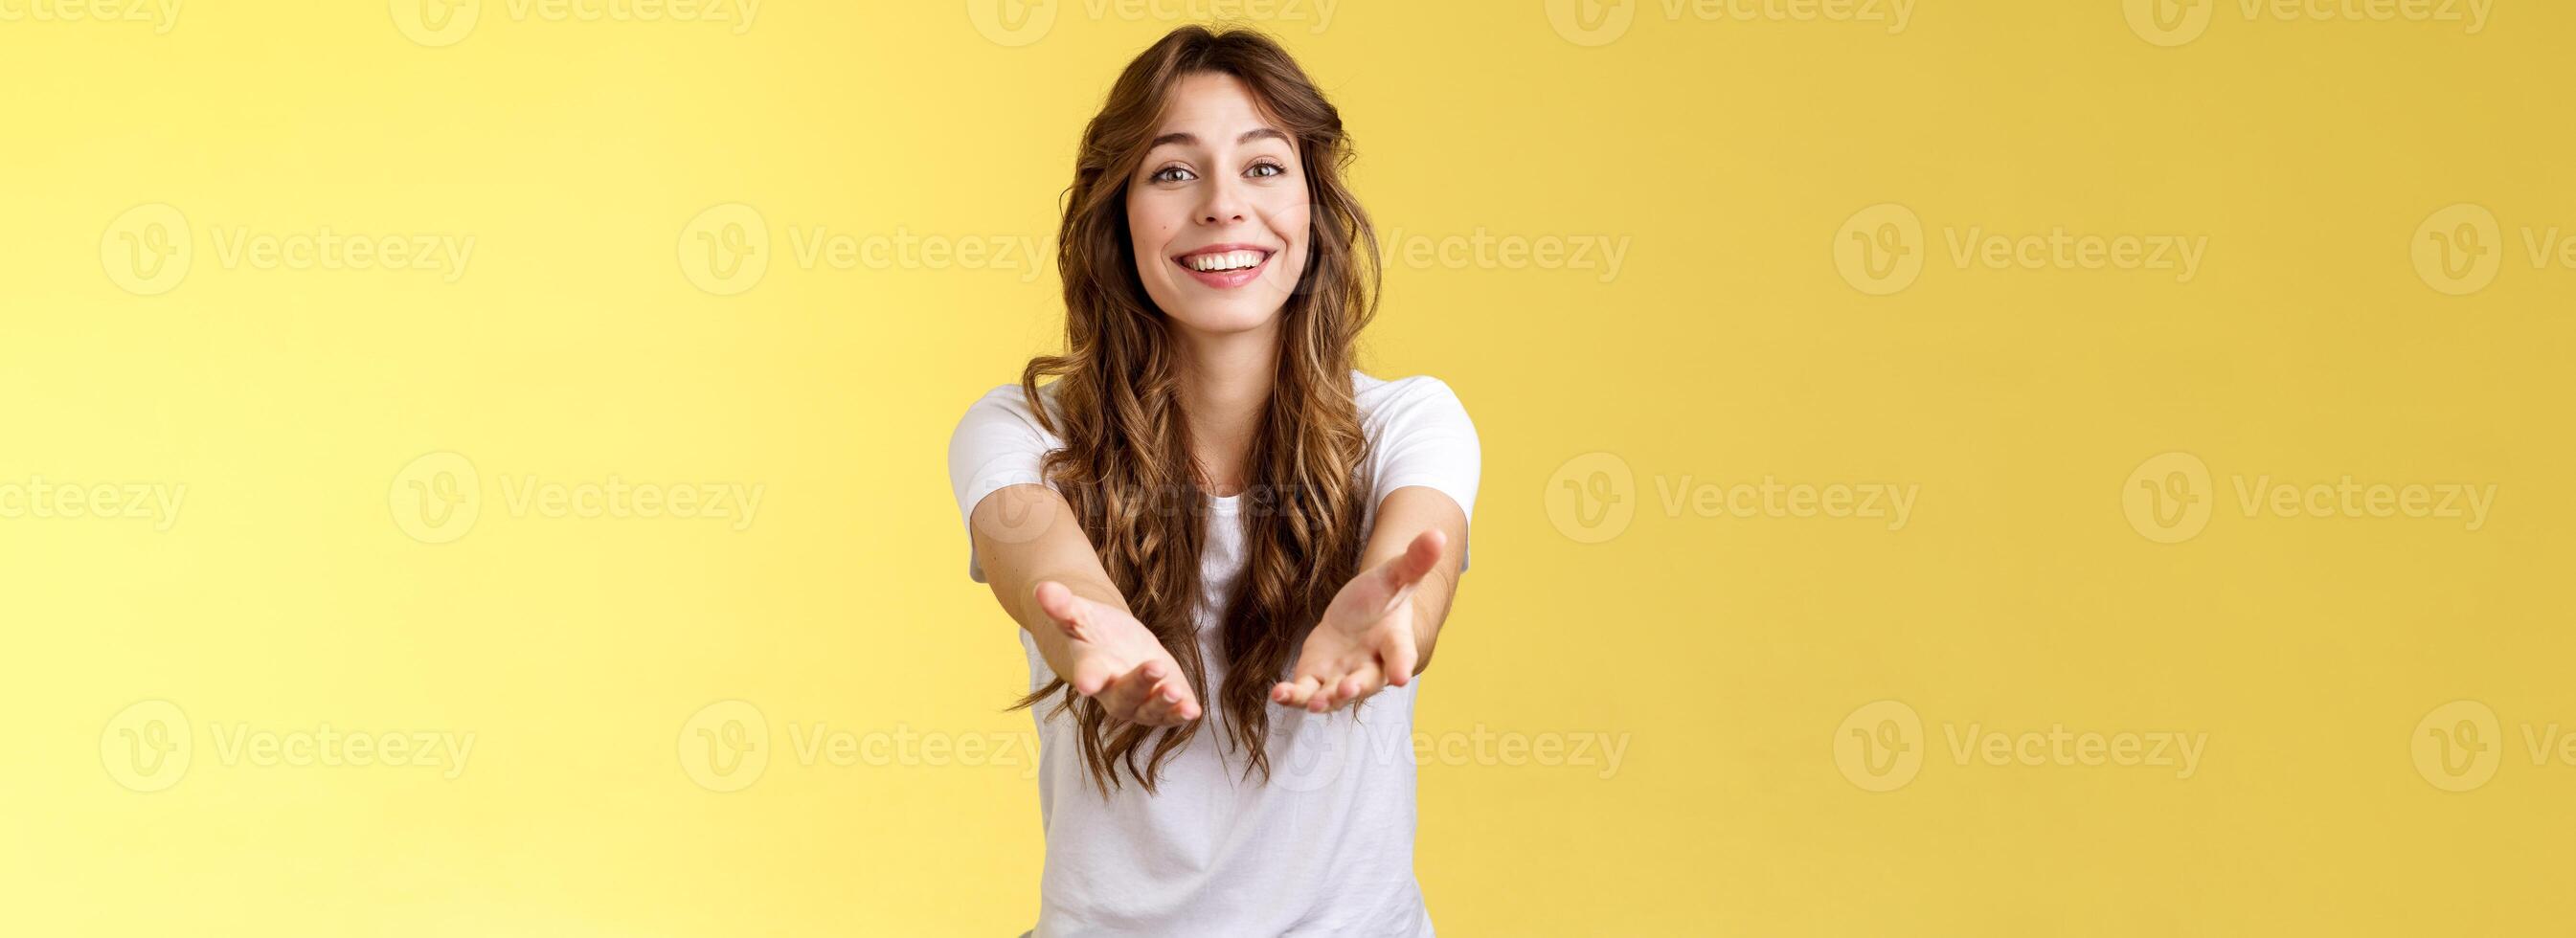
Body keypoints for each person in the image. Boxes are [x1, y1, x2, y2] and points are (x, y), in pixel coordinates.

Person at [947, 25, 1480, 937]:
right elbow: (1035, 557)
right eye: (1173, 172)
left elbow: (1414, 563)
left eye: (1264, 167)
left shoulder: (1410, 422)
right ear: (1117, 214)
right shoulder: (1024, 429)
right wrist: (1091, 629)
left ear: (1314, 207)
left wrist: (1396, 616)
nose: (1224, 206)